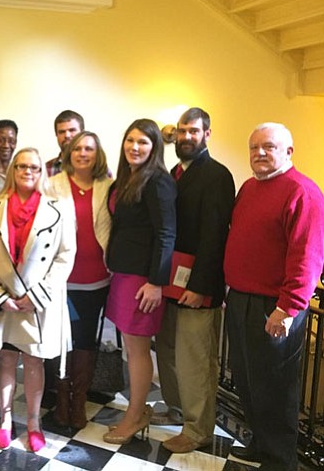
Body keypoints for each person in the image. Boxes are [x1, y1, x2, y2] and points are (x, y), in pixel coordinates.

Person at [224, 122, 324, 471]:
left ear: (288, 152)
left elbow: (307, 257)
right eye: (254, 148)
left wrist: (288, 308)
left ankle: (280, 462)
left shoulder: (303, 192)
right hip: (240, 300)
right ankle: (261, 445)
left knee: (276, 388)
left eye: (269, 146)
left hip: (275, 306)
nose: (260, 153)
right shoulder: (250, 187)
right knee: (249, 382)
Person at [0, 148, 76, 452]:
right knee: (5, 359)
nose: (27, 171)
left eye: (34, 167)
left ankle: (34, 423)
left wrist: (37, 295)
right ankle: (5, 420)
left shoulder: (58, 208)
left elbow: (65, 256)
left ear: (41, 172)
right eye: (21, 166)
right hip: (6, 299)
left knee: (34, 361)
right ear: (13, 170)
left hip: (37, 302)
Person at [154, 108, 235, 453]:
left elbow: (215, 235)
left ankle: (198, 428)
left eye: (194, 131)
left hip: (197, 287)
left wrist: (199, 287)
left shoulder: (217, 175)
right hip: (170, 282)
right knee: (169, 351)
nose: (187, 137)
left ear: (207, 134)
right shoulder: (174, 173)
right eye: (183, 131)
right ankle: (175, 408)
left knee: (195, 359)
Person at [103, 118, 176, 445]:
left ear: (154, 147)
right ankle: (135, 409)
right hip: (124, 274)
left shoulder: (158, 181)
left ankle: (135, 414)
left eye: (143, 142)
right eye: (130, 140)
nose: (135, 147)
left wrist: (156, 282)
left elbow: (166, 233)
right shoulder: (126, 179)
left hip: (142, 280)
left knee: (138, 350)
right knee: (130, 350)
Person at [50, 131, 113, 430]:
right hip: (62, 280)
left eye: (89, 148)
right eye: (77, 148)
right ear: (69, 152)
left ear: (97, 154)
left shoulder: (108, 186)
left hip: (97, 279)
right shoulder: (53, 184)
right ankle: (62, 401)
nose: (83, 153)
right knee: (63, 340)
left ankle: (79, 402)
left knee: (86, 340)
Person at [46, 110, 84, 177]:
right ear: (56, 135)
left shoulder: (98, 168)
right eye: (61, 132)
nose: (67, 135)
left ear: (82, 133)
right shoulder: (45, 170)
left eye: (72, 130)